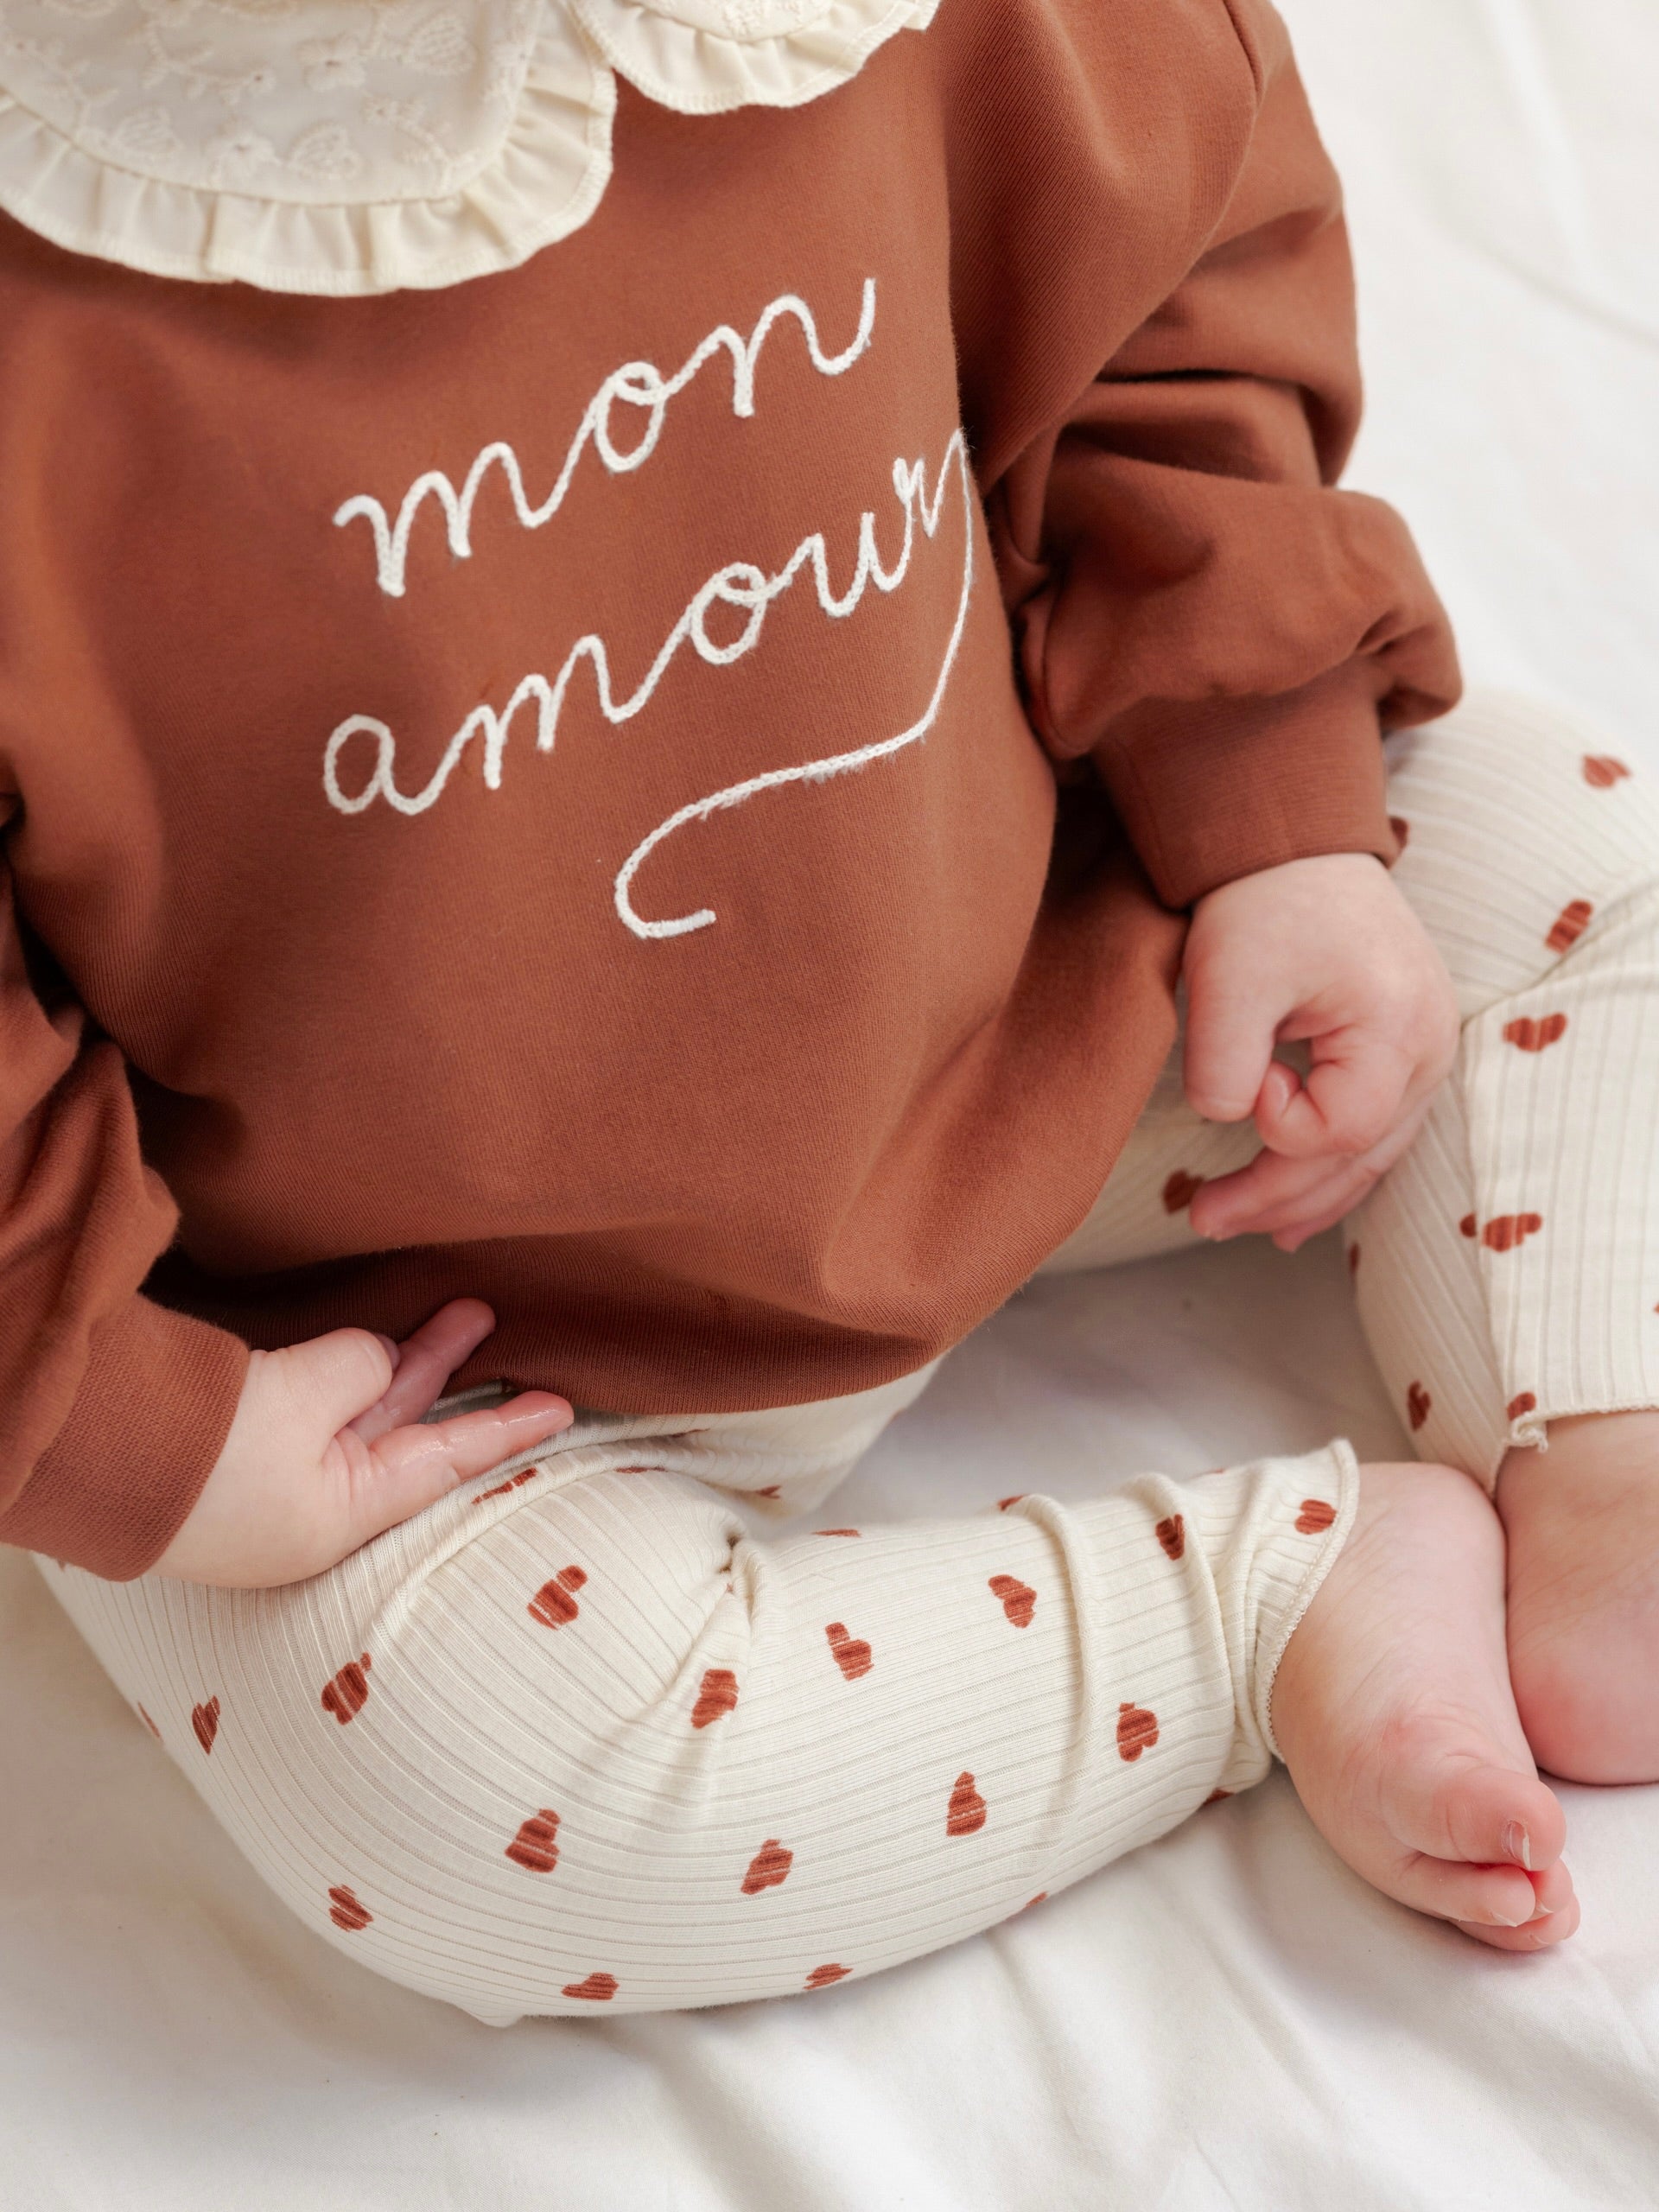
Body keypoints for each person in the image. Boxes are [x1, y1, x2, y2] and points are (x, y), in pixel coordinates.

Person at [1, 0, 1652, 2022]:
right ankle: (1267, 1608)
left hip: (1055, 975)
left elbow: (1162, 299)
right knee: (448, 1785)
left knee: (1581, 863)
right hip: (406, 1364)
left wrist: (1266, 800)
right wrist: (134, 1426)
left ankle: (1601, 1408)